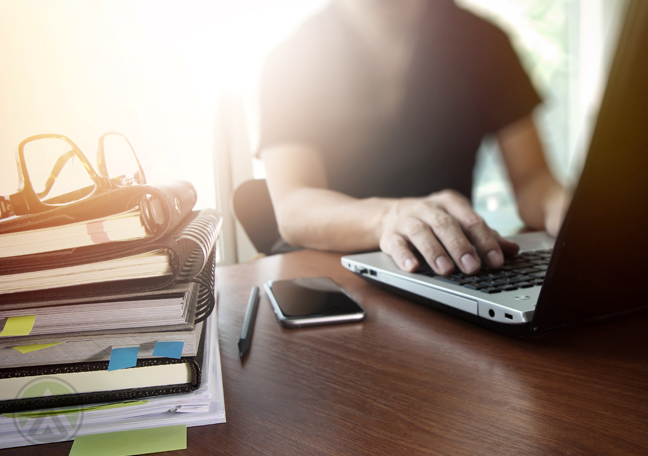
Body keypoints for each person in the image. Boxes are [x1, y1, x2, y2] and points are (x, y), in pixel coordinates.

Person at [257, 0, 569, 275]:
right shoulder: (290, 59)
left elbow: (532, 177)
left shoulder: (486, 42)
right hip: (330, 274)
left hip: (449, 270)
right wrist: (388, 217)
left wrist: (566, 209)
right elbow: (294, 207)